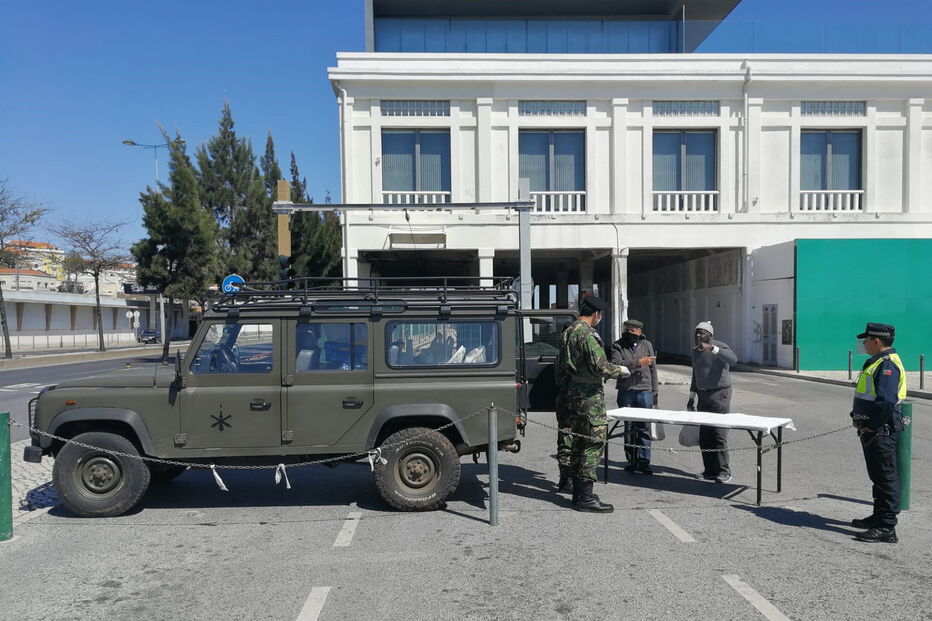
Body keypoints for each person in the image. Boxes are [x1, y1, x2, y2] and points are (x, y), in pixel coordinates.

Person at [560, 295, 630, 513]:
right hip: (589, 397)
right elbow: (600, 366)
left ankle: (578, 493)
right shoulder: (587, 335)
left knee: (579, 441)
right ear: (597, 314)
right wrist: (621, 370)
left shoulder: (569, 331)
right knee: (594, 441)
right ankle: (586, 498)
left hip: (573, 394)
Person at [849, 322, 906, 544]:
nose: (863, 344)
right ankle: (878, 516)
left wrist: (871, 424)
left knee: (886, 477)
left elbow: (886, 402)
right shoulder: (876, 362)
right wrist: (857, 416)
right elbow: (867, 395)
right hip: (870, 429)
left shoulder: (888, 364)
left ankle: (887, 527)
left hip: (880, 430)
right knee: (877, 476)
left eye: (866, 340)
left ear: (877, 341)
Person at [687, 321, 737, 484]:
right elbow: (696, 374)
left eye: (702, 333)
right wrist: (691, 396)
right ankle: (709, 470)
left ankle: (724, 471)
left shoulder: (720, 347)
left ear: (710, 335)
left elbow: (733, 359)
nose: (698, 336)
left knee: (718, 434)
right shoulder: (695, 351)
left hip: (719, 394)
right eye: (696, 333)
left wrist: (712, 349)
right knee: (705, 434)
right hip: (703, 395)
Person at [610, 319, 658, 474]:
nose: (630, 333)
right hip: (626, 390)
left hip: (645, 389)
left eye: (633, 330)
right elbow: (617, 365)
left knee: (644, 427)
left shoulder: (647, 345)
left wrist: (654, 390)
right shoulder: (618, 345)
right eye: (627, 330)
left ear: (639, 332)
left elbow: (653, 370)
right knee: (629, 427)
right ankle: (632, 460)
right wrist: (638, 362)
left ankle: (644, 461)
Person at [552, 321, 574, 494]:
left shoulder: (559, 354)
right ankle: (570, 478)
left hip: (563, 399)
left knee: (565, 439)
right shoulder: (572, 353)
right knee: (575, 440)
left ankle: (564, 478)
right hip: (573, 400)